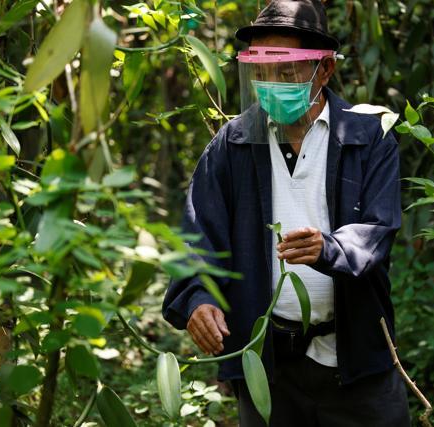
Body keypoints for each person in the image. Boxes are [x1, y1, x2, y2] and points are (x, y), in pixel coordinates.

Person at [162, 1, 410, 425]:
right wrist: (198, 300)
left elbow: (377, 229)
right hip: (269, 365)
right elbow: (198, 236)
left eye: (288, 71)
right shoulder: (232, 144)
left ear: (325, 70)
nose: (272, 84)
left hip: (355, 360)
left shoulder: (369, 136)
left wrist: (328, 249)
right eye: (261, 71)